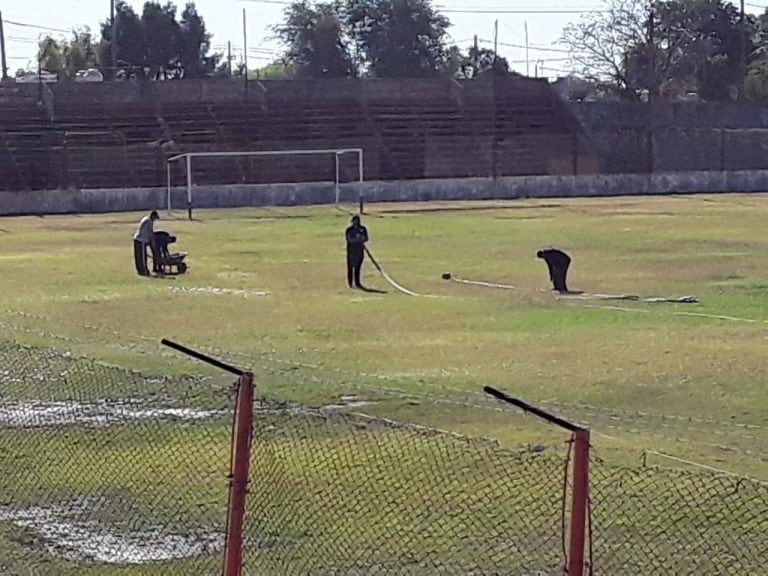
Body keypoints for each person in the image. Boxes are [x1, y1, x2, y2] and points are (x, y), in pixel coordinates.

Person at [133, 210, 160, 276]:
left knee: (138, 257)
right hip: (141, 240)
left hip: (137, 239)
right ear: (153, 216)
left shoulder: (146, 218)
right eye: (155, 218)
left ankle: (140, 270)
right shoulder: (149, 221)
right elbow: (150, 233)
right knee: (142, 257)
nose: (155, 220)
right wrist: (153, 243)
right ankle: (143, 271)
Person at [345, 214, 368, 289]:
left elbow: (366, 238)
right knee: (350, 267)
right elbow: (350, 239)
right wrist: (358, 239)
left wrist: (360, 238)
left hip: (359, 251)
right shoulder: (349, 230)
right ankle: (350, 283)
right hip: (351, 251)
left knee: (358, 267)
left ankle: (357, 283)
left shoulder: (363, 229)